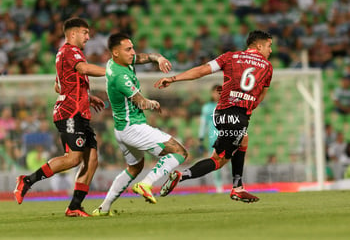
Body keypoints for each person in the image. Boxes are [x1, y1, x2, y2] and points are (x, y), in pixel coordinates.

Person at [155, 30, 273, 203]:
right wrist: (247, 105)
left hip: (220, 113)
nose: (270, 50)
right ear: (259, 45)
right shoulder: (267, 67)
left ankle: (238, 187)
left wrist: (173, 78)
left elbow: (201, 71)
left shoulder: (230, 57)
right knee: (218, 161)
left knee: (243, 140)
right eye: (269, 46)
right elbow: (260, 96)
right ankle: (181, 176)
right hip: (238, 116)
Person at [14, 17, 106, 217]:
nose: (88, 37)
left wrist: (87, 97)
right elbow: (83, 69)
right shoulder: (70, 51)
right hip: (70, 112)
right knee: (73, 159)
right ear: (73, 34)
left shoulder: (66, 55)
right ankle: (27, 180)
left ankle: (74, 207)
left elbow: (59, 85)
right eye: (85, 32)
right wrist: (113, 72)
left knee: (91, 160)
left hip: (79, 111)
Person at [92, 33, 188, 216]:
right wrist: (154, 103)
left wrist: (158, 58)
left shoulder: (117, 62)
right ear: (115, 52)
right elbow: (141, 102)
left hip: (121, 129)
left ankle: (104, 208)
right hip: (133, 128)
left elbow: (143, 57)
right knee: (180, 152)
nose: (133, 52)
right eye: (128, 49)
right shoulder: (119, 76)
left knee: (134, 167)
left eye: (132, 48)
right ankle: (146, 184)